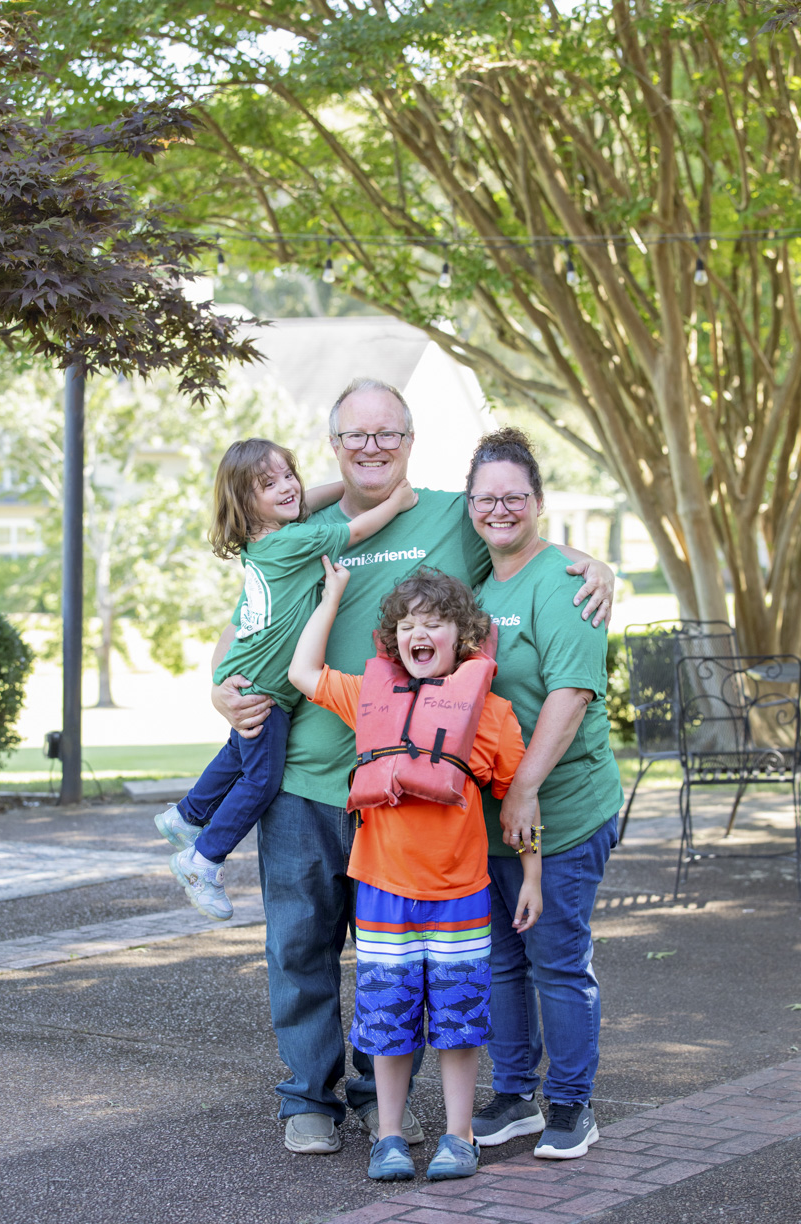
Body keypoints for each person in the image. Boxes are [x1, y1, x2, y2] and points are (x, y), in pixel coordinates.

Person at [209, 378, 614, 1155]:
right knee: (300, 945)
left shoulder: (443, 514)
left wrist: (593, 563)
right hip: (302, 776)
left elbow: (516, 535)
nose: (372, 447)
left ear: (409, 441)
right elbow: (244, 625)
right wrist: (220, 688)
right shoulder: (300, 523)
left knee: (399, 952)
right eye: (356, 435)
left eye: (387, 434)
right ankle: (308, 1099)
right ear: (332, 444)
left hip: (411, 795)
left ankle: (378, 1096)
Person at [288, 564, 542, 1181]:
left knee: (458, 1022)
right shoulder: (369, 696)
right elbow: (302, 673)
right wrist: (332, 597)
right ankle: (391, 1137)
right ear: (392, 639)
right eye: (407, 625)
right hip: (381, 891)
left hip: (460, 894)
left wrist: (531, 877)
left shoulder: (490, 714)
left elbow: (520, 803)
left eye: (434, 624)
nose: (418, 634)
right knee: (387, 1020)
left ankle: (460, 1138)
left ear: (465, 636)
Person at [153, 435, 416, 920]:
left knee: (237, 753)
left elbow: (307, 500)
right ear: (246, 503)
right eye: (268, 484)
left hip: (248, 675)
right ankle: (202, 859)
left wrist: (343, 481)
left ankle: (187, 816)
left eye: (288, 475)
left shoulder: (264, 542)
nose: (289, 487)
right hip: (266, 690)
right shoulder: (295, 543)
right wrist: (395, 498)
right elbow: (356, 530)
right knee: (261, 780)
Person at [465, 426, 623, 1160]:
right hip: (491, 814)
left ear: (539, 502)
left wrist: (525, 788)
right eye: (487, 497)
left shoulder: (564, 584)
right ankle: (515, 1094)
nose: (501, 509)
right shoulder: (477, 584)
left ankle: (570, 1105)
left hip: (560, 806)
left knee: (555, 956)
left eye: (514, 496)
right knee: (500, 957)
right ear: (471, 505)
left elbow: (573, 692)